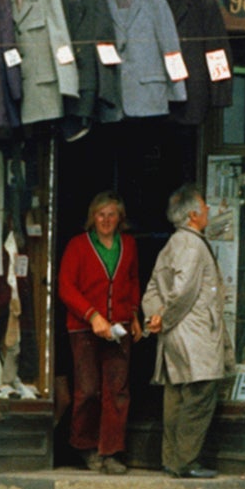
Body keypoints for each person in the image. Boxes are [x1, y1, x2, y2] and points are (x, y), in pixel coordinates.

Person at [142, 186, 231, 479]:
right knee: (198, 395)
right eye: (204, 208)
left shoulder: (172, 244)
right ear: (193, 214)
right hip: (194, 334)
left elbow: (153, 287)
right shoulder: (192, 245)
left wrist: (155, 316)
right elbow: (183, 292)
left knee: (176, 396)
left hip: (175, 336)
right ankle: (186, 460)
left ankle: (172, 459)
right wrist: (163, 318)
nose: (208, 212)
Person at [58, 189, 139, 471]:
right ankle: (84, 446)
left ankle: (112, 451)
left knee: (117, 390)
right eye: (101, 214)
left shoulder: (128, 245)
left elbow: (132, 283)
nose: (106, 220)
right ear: (92, 218)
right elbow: (65, 287)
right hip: (83, 329)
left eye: (112, 215)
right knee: (88, 390)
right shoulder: (78, 246)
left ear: (120, 219)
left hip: (119, 327)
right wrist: (92, 316)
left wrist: (134, 316)